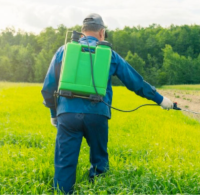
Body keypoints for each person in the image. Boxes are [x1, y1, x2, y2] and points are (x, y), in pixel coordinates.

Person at [41, 13, 174, 194]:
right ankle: (99, 190)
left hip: (68, 115)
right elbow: (135, 82)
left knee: (65, 163)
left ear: (82, 33)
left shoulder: (64, 50)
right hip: (97, 115)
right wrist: (160, 99)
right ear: (102, 33)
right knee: (99, 162)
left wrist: (54, 114)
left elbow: (48, 87)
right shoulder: (109, 54)